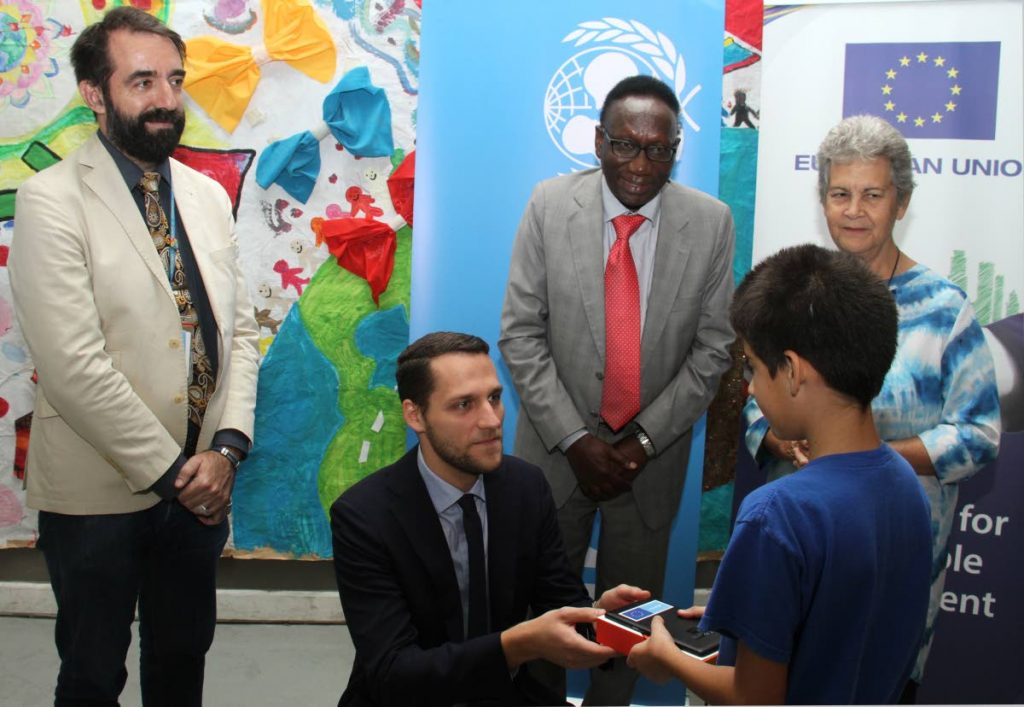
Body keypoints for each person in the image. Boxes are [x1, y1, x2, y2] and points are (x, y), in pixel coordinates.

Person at [9, 8, 260, 705]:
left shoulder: (209, 196)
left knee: (182, 663)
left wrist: (228, 451)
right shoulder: (51, 201)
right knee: (92, 674)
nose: (166, 100)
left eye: (175, 80)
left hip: (205, 484)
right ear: (95, 92)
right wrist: (179, 473)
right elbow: (72, 365)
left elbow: (237, 332)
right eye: (143, 81)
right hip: (98, 492)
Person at [742, 115, 1001, 699]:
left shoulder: (943, 309)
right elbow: (757, 393)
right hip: (800, 549)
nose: (854, 210)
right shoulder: (793, 291)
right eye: (840, 194)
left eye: (872, 195)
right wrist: (778, 440)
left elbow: (980, 433)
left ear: (901, 202)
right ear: (822, 200)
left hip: (893, 556)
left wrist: (876, 457)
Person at [499, 74, 734, 703]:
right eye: (626, 146)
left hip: (647, 468)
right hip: (555, 453)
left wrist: (643, 443)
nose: (640, 164)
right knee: (544, 613)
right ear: (599, 142)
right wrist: (576, 439)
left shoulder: (711, 223)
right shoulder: (550, 205)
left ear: (676, 149)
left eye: (658, 149)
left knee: (630, 628)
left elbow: (714, 349)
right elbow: (521, 334)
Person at [629, 244, 933, 704]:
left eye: (751, 365)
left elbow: (755, 699)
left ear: (791, 371)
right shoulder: (906, 484)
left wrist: (667, 656)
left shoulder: (777, 515)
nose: (748, 385)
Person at [330, 332, 649, 707]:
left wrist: (597, 619)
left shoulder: (525, 487)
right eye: (463, 404)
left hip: (504, 692)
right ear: (415, 414)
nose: (491, 420)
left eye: (494, 398)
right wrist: (515, 645)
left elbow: (559, 601)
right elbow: (393, 672)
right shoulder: (363, 516)